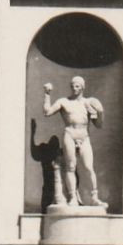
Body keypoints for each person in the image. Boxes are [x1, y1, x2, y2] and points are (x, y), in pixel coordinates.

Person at [43, 76, 105, 206]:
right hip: (70, 134)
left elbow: (98, 125)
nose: (74, 88)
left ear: (82, 87)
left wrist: (100, 113)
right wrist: (47, 94)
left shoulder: (88, 103)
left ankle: (94, 197)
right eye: (72, 86)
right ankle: (72, 197)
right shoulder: (64, 101)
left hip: (84, 136)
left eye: (77, 86)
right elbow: (47, 112)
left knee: (88, 167)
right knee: (71, 167)